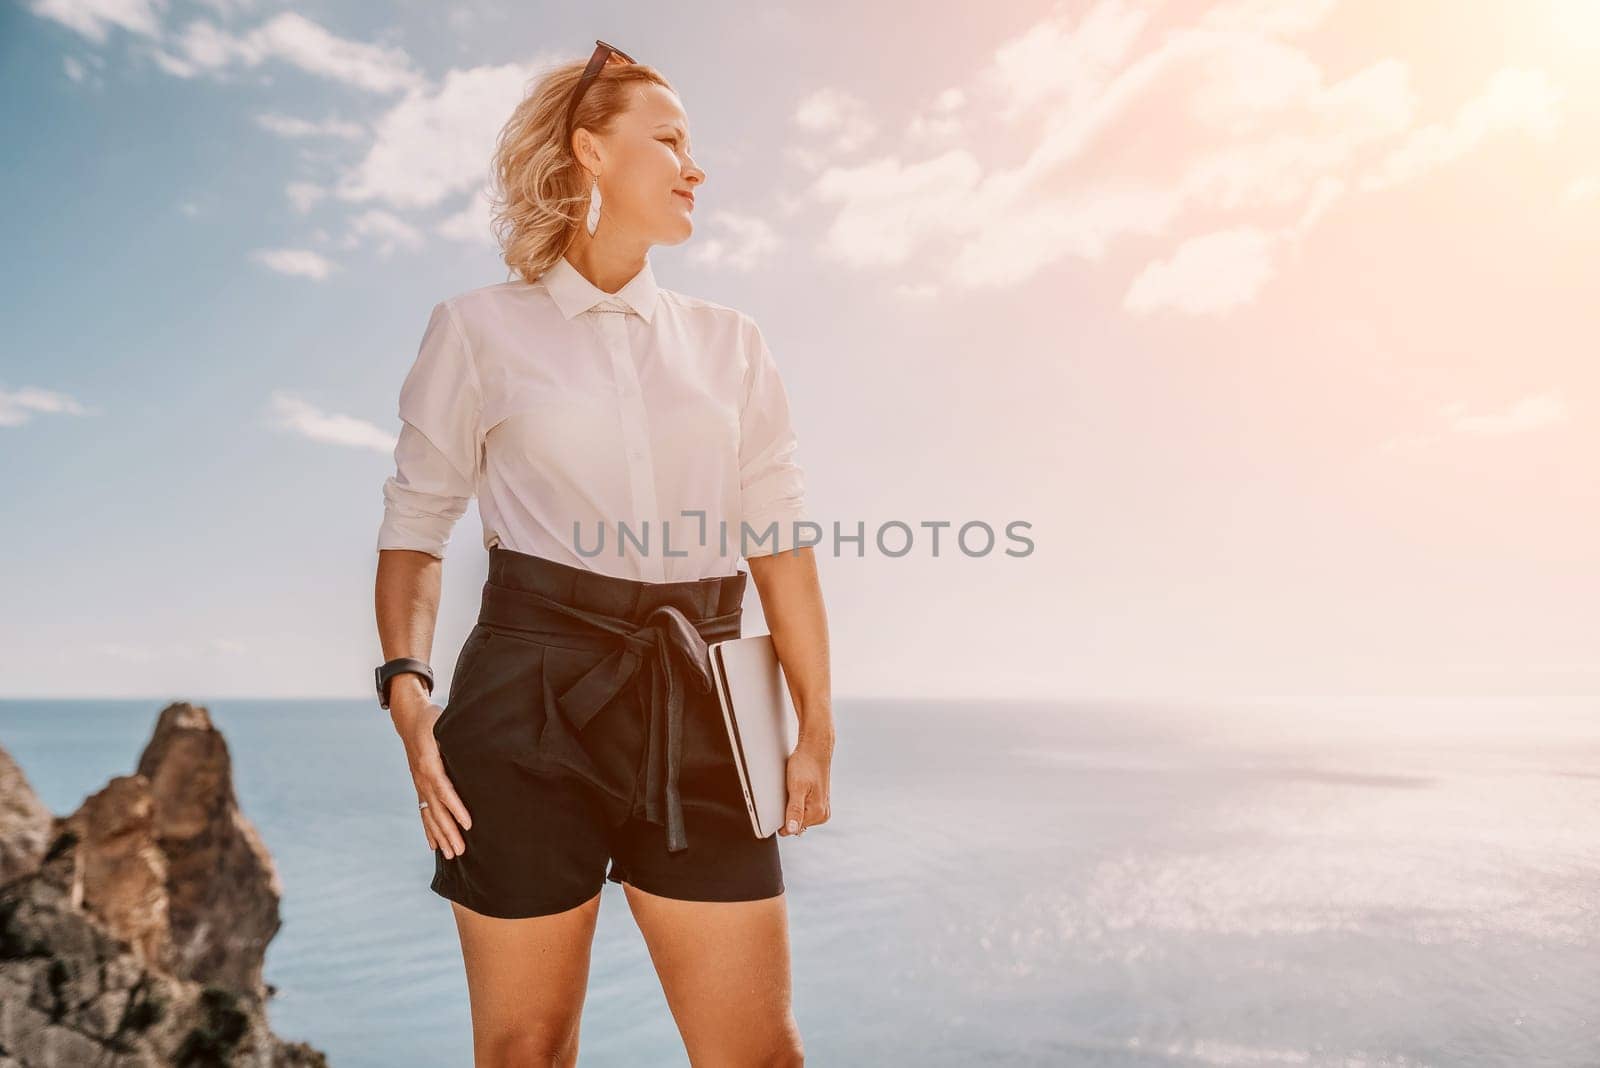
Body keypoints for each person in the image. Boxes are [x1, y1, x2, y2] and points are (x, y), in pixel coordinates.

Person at [371, 40, 832, 1067]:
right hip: (526, 703)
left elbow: (780, 545)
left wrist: (817, 722)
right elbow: (416, 527)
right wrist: (408, 691)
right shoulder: (478, 330)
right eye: (669, 139)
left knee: (759, 1053)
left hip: (707, 694)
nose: (695, 165)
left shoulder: (731, 343)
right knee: (527, 1050)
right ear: (588, 151)